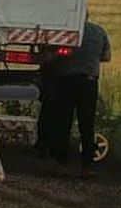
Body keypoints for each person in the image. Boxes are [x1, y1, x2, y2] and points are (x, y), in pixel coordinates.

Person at [48, 18, 112, 175]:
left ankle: (61, 162)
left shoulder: (68, 30)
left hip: (67, 80)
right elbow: (106, 56)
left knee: (64, 121)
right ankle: (87, 165)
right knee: (87, 123)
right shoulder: (99, 31)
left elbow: (56, 55)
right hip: (89, 82)